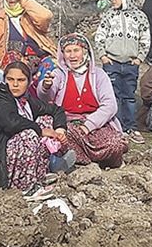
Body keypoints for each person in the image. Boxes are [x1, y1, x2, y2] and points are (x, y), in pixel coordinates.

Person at [0, 61, 68, 201]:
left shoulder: (24, 101)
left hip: (8, 156)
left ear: (29, 82)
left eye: (20, 80)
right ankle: (26, 187)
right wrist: (41, 130)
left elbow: (56, 110)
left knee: (45, 119)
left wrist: (60, 130)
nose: (15, 84)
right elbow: (11, 122)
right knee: (29, 134)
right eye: (10, 80)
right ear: (4, 80)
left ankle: (38, 175)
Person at [38, 33, 128, 169]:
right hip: (69, 125)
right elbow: (45, 98)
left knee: (115, 144)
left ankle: (84, 159)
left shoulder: (99, 75)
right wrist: (45, 86)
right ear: (63, 54)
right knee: (60, 137)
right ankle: (89, 162)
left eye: (76, 50)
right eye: (68, 51)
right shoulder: (58, 74)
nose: (72, 56)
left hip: (97, 125)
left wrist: (88, 125)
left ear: (84, 52)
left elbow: (110, 105)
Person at [95, 0, 150, 145]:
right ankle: (116, 128)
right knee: (113, 96)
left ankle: (130, 128)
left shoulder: (139, 16)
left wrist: (139, 58)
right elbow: (99, 37)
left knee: (129, 96)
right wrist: (103, 56)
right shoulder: (109, 15)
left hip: (130, 64)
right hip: (111, 63)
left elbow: (145, 39)